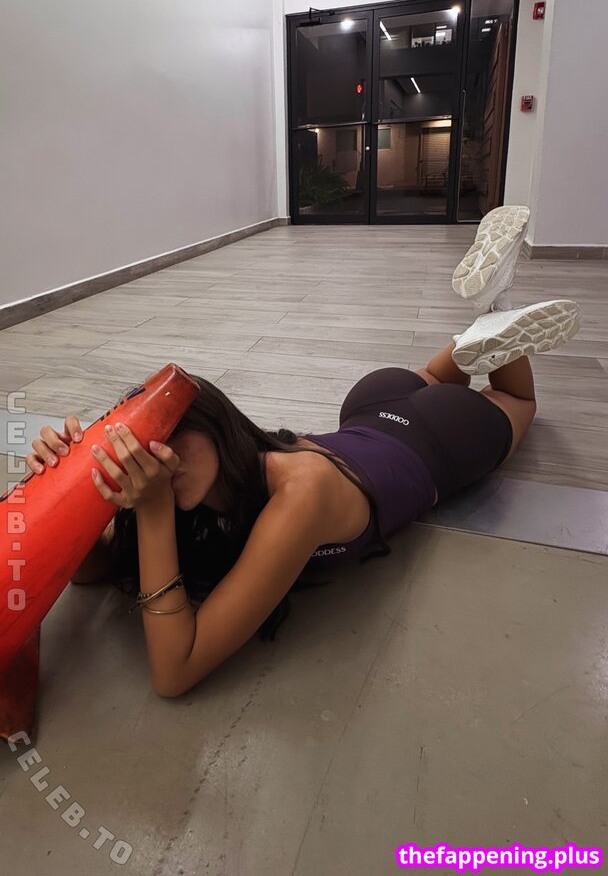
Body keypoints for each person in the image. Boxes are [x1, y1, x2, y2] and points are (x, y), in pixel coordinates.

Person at [24, 206, 580, 698]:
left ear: (212, 423)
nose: (162, 463)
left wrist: (151, 509)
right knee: (439, 378)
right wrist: (68, 488)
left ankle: (495, 306)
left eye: (171, 440)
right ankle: (484, 323)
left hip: (439, 435)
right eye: (148, 451)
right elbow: (92, 573)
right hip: (374, 406)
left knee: (517, 400)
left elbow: (175, 672)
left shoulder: (301, 493)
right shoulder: (234, 466)